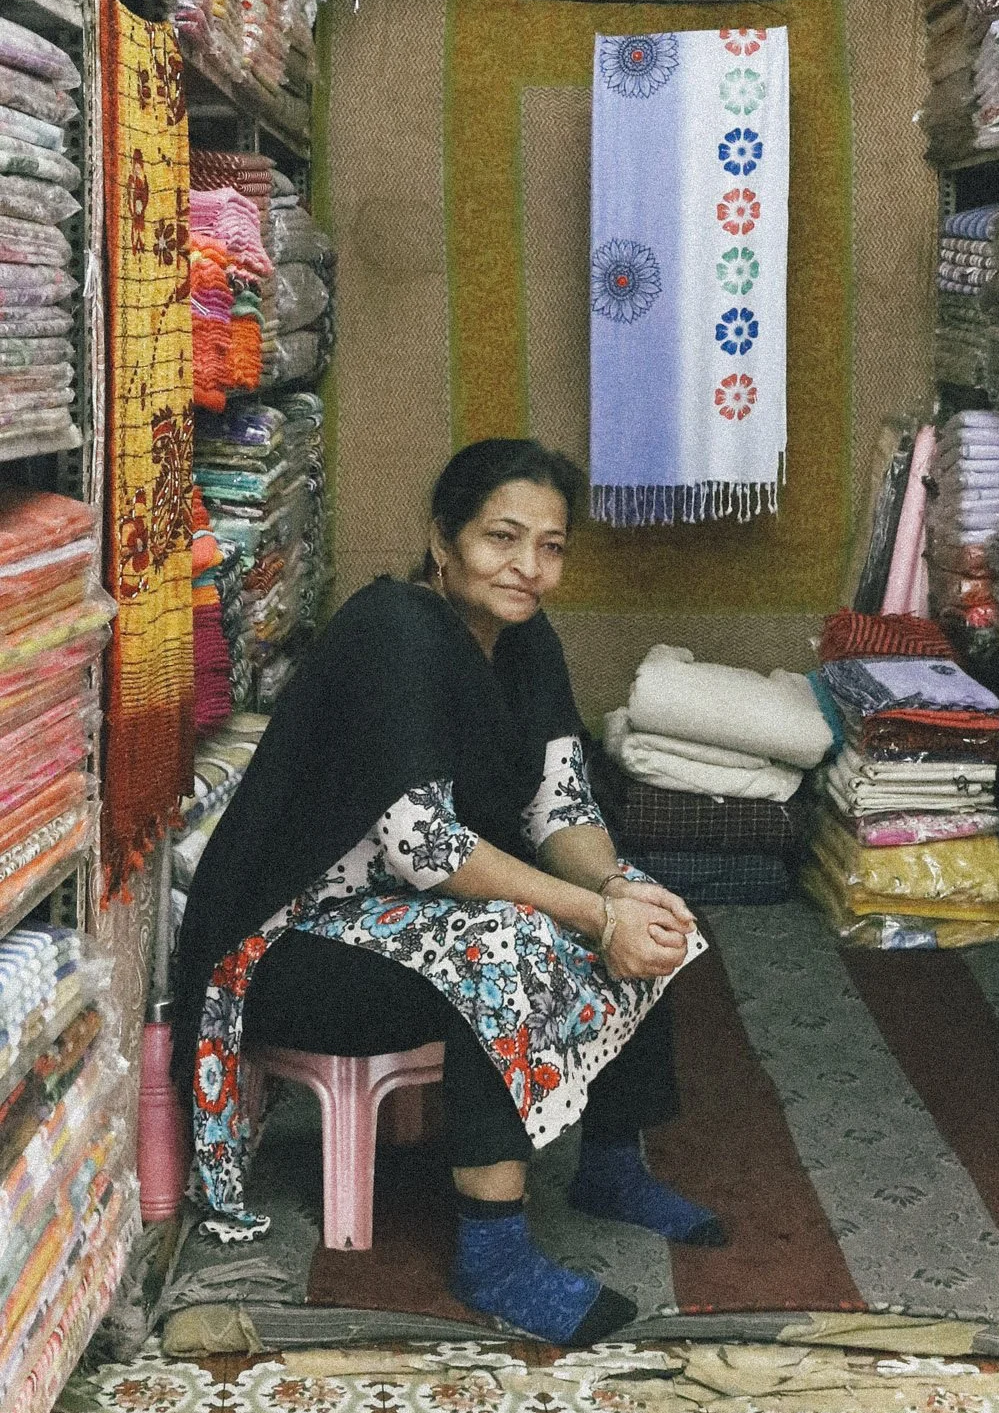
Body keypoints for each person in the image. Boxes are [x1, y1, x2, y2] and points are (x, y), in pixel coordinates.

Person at [174, 438, 724, 1346]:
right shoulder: (391, 631)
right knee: (502, 945)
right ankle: (493, 1253)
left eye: (550, 546)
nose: (528, 567)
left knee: (647, 900)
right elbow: (422, 844)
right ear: (442, 539)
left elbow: (563, 806)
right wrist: (591, 912)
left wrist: (621, 890)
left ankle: (611, 1163)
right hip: (296, 944)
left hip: (406, 918)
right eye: (501, 538)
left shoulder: (523, 637)